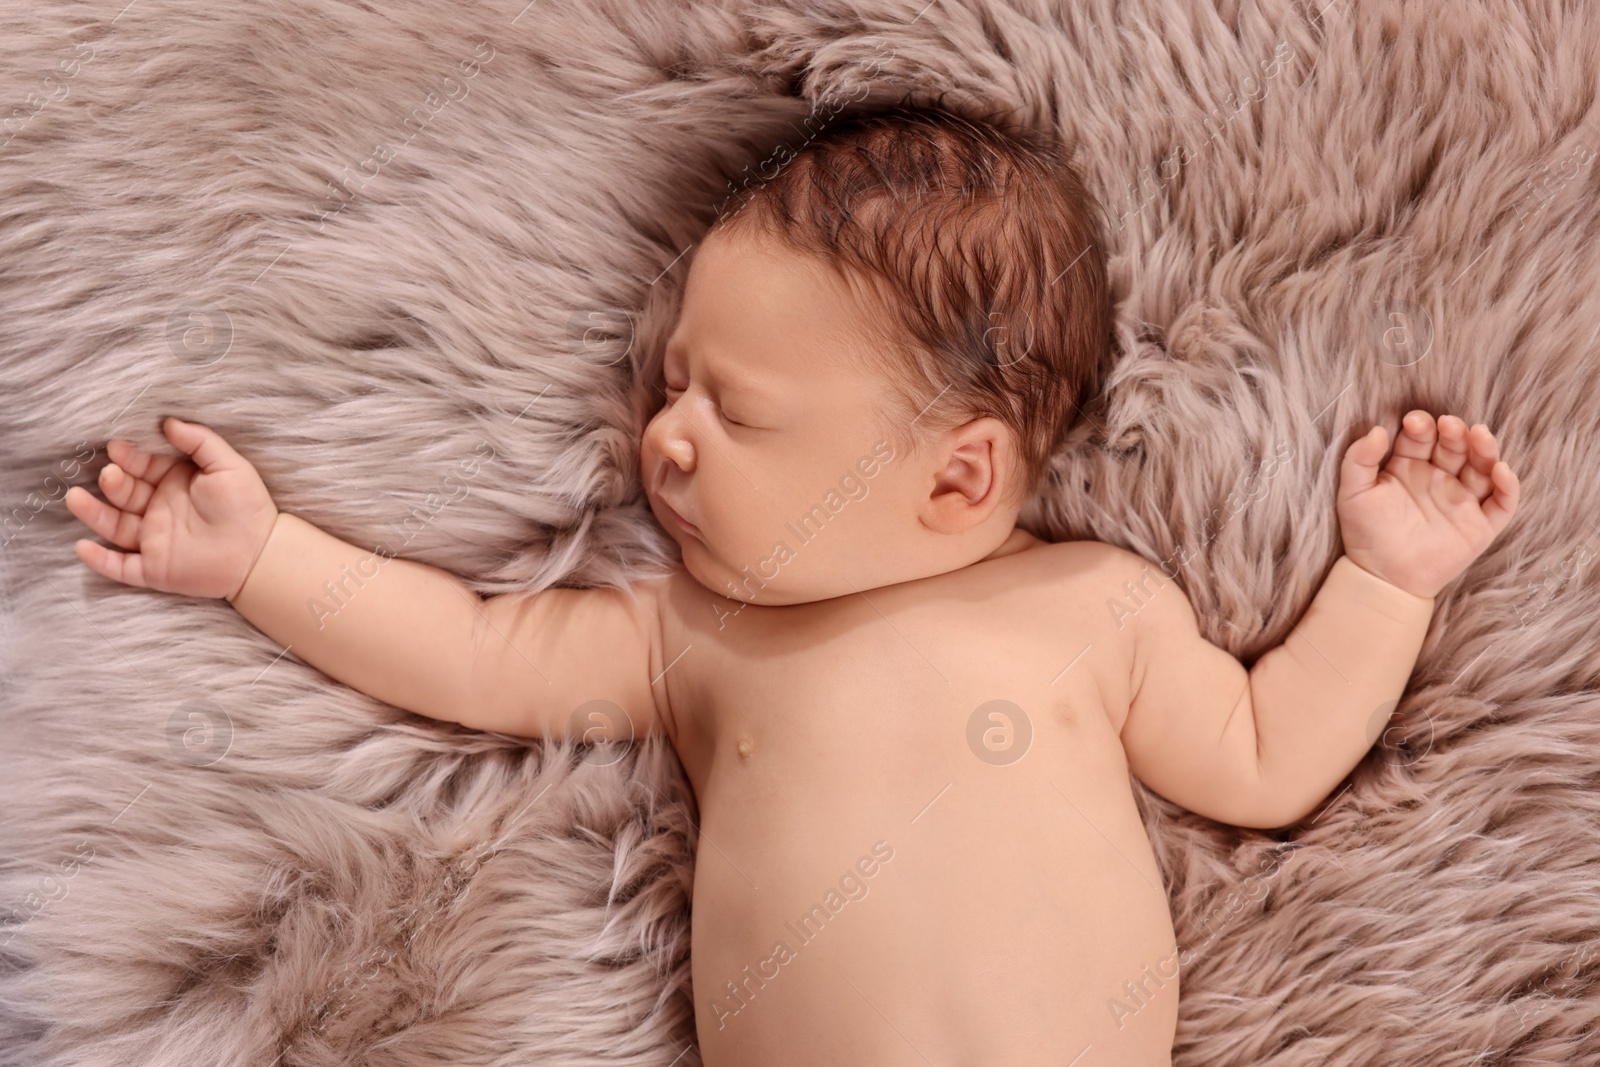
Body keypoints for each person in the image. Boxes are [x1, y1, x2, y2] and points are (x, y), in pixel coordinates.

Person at [65, 106, 1520, 1065]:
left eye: (738, 413)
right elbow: (473, 648)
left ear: (957, 479)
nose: (666, 433)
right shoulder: (698, 637)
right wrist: (260, 558)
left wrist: (1388, 579)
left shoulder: (1098, 607)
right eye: (672, 381)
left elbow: (1268, 758)